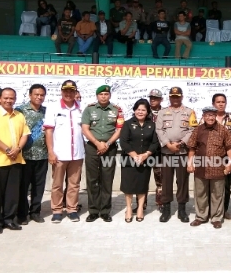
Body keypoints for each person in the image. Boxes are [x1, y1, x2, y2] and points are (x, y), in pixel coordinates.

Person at [0, 88, 31, 234]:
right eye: (6, 98)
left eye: (11, 98)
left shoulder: (19, 115)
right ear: (0, 98)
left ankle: (9, 219)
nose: (8, 101)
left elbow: (25, 134)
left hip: (16, 160)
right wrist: (7, 149)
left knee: (12, 193)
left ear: (15, 99)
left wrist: (17, 149)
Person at [187, 106, 231, 229]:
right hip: (201, 167)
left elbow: (229, 147)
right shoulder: (198, 130)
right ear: (203, 116)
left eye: (212, 115)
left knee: (217, 194)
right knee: (200, 193)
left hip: (218, 167)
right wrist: (190, 163)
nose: (210, 117)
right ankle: (201, 217)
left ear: (215, 116)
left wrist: (229, 163)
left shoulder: (223, 130)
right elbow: (192, 147)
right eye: (207, 115)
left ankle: (216, 218)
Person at [43, 80, 84, 223]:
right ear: (61, 91)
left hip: (77, 153)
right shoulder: (53, 107)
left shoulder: (81, 108)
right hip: (59, 153)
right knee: (57, 184)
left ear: (75, 92)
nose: (68, 93)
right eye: (65, 91)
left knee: (74, 184)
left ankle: (72, 209)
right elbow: (49, 131)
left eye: (71, 91)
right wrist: (51, 151)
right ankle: (57, 210)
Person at [81, 85, 123, 223]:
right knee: (92, 179)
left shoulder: (117, 110)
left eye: (106, 94)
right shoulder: (89, 109)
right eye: (101, 94)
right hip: (92, 147)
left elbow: (119, 130)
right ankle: (93, 211)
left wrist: (107, 144)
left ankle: (105, 211)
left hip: (109, 148)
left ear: (110, 95)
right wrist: (97, 143)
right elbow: (85, 128)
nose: (104, 96)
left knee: (107, 179)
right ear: (97, 96)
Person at [155, 87, 197, 223]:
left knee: (182, 181)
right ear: (169, 97)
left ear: (182, 97)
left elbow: (192, 130)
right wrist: (168, 144)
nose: (175, 99)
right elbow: (159, 130)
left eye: (177, 96)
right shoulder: (162, 112)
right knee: (166, 181)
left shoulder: (189, 112)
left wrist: (181, 143)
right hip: (167, 152)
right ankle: (166, 210)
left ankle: (182, 210)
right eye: (173, 96)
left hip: (182, 152)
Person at [120, 99, 159, 222]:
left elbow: (155, 143)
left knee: (142, 186)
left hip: (145, 160)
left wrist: (145, 155)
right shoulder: (127, 124)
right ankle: (129, 209)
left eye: (143, 110)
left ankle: (141, 208)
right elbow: (124, 142)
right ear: (134, 110)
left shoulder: (152, 125)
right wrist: (135, 156)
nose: (140, 112)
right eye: (138, 109)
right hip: (129, 160)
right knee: (128, 186)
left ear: (147, 112)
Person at [199, 93, 231, 220]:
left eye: (223, 102)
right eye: (218, 102)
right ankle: (208, 211)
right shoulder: (204, 119)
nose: (221, 104)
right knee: (208, 185)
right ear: (213, 104)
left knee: (225, 185)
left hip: (226, 156)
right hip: (208, 159)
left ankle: (223, 211)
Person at [15, 84, 48, 224]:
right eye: (36, 94)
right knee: (23, 186)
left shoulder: (47, 111)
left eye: (42, 95)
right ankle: (22, 214)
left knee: (39, 186)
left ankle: (35, 212)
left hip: (43, 155)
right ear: (30, 95)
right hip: (24, 155)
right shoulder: (20, 111)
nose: (39, 97)